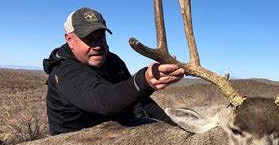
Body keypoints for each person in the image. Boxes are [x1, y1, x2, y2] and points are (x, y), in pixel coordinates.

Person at [43, 7, 184, 135]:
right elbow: (101, 100)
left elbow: (140, 99)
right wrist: (143, 81)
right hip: (75, 143)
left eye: (100, 37)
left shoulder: (113, 61)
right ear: (69, 40)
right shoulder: (64, 71)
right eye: (89, 39)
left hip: (112, 131)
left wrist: (174, 128)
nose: (97, 46)